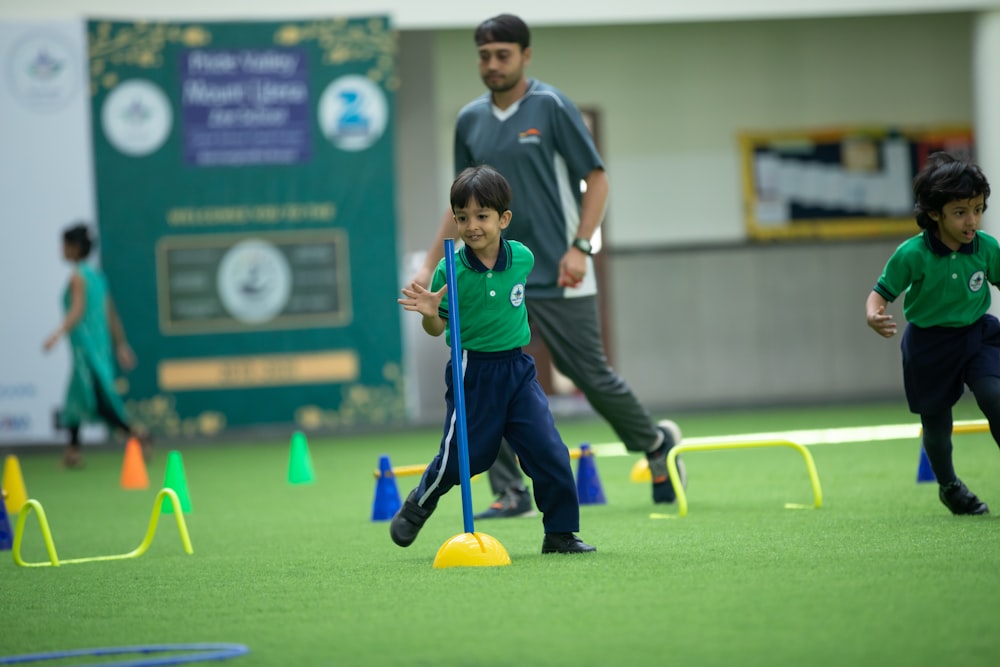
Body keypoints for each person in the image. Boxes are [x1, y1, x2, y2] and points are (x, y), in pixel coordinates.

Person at [410, 13, 685, 520]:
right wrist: (431, 265)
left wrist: (581, 246)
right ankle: (509, 491)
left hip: (559, 268)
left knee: (590, 373)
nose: (492, 65)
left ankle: (654, 444)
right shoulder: (469, 120)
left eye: (503, 55)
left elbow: (597, 180)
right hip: (486, 272)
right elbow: (460, 204)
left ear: (525, 55)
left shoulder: (551, 106)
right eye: (484, 56)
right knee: (485, 380)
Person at [392, 165, 595, 554]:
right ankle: (419, 505)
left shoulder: (522, 258)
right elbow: (437, 332)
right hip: (473, 372)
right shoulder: (449, 270)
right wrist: (431, 313)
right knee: (464, 459)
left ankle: (560, 533)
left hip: (518, 371)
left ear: (503, 219)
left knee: (549, 451)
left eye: (482, 216)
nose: (472, 226)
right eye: (462, 217)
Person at [865, 151, 994, 515]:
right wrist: (874, 315)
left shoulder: (987, 248)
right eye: (960, 212)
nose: (972, 221)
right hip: (928, 345)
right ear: (935, 213)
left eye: (978, 209)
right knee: (937, 426)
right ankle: (949, 486)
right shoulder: (912, 254)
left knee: (994, 396)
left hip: (977, 335)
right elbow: (879, 295)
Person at [43, 223, 148, 468]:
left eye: (64, 244)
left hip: (85, 348)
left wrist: (56, 334)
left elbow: (77, 310)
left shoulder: (78, 277)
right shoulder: (98, 277)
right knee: (79, 397)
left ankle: (135, 433)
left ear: (75, 247)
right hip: (99, 347)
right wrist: (120, 344)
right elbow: (111, 314)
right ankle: (73, 451)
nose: (61, 249)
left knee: (93, 399)